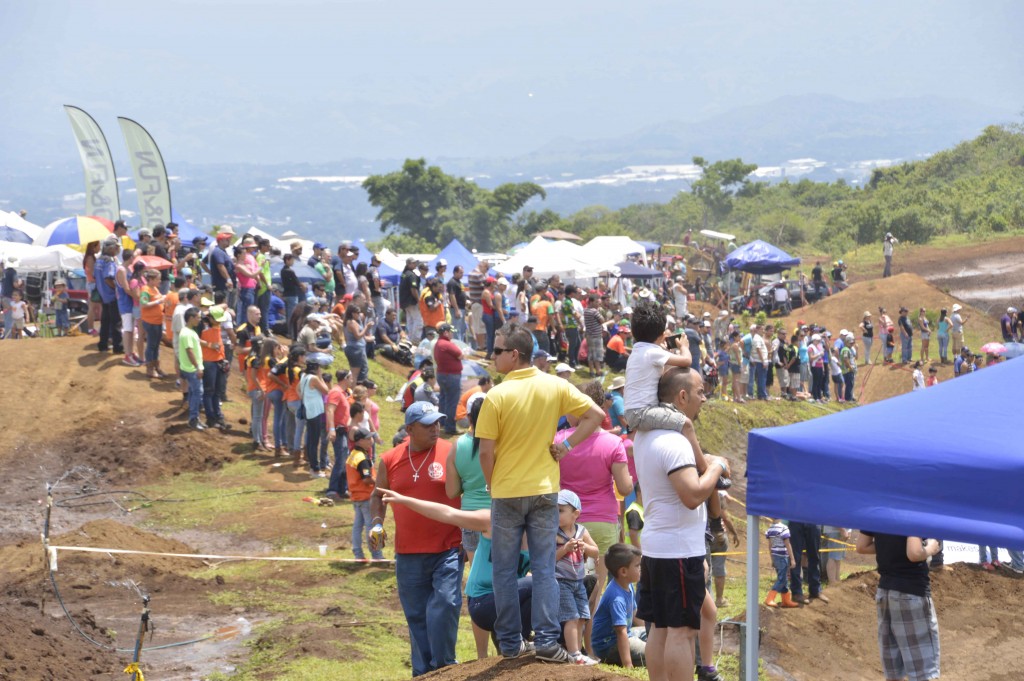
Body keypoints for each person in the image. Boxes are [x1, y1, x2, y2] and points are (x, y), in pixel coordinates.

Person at [476, 322, 605, 663]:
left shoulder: (497, 394)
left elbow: (486, 452)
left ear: (514, 354)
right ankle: (547, 642)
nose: (493, 356)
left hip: (507, 491)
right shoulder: (554, 385)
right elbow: (596, 415)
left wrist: (492, 484)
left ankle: (508, 643)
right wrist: (566, 447)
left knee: (504, 570)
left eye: (498, 350)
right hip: (546, 490)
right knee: (545, 567)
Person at [632, 367, 729, 681]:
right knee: (682, 633)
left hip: (657, 546)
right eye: (700, 391)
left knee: (660, 629)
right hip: (677, 551)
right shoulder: (674, 443)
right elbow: (693, 494)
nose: (704, 397)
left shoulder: (645, 435)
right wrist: (716, 466)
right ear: (683, 396)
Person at [369, 402, 462, 677]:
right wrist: (376, 524)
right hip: (408, 553)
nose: (435, 428)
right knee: (417, 615)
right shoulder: (389, 460)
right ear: (409, 429)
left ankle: (444, 667)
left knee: (445, 604)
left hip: (448, 547)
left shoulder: (451, 451)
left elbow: (468, 491)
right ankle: (423, 672)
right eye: (427, 424)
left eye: (437, 423)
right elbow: (378, 496)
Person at [856, 531, 941, 681]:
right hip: (911, 591)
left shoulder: (878, 508)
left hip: (885, 592)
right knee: (923, 673)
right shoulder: (912, 508)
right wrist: (930, 548)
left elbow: (862, 546)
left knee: (893, 672)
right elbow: (914, 553)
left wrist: (888, 546)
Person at [554, 489, 600, 666]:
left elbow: (595, 551)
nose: (555, 514)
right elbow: (548, 559)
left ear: (576, 514)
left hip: (578, 581)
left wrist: (584, 547)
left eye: (560, 510)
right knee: (571, 617)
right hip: (561, 581)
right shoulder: (553, 532)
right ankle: (574, 654)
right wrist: (564, 549)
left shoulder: (581, 531)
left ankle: (576, 651)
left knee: (582, 616)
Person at [592, 543, 646, 668]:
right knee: (655, 653)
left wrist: (647, 632)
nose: (641, 568)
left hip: (626, 634)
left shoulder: (627, 584)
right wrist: (628, 665)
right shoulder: (617, 598)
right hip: (608, 646)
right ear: (623, 571)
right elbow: (621, 632)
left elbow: (634, 615)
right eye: (637, 566)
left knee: (653, 634)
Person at [433, 322, 463, 436]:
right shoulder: (446, 344)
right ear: (446, 332)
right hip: (451, 376)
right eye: (450, 332)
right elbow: (461, 355)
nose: (452, 335)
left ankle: (442, 422)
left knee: (444, 399)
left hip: (442, 375)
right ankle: (450, 427)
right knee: (452, 402)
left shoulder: (438, 344)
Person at [789, 519, 828, 604]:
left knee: (814, 556)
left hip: (813, 518)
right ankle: (796, 592)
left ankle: (815, 590)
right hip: (795, 518)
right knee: (795, 557)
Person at [200, 307, 228, 430]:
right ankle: (211, 418)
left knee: (217, 392)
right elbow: (196, 340)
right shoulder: (204, 330)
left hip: (218, 362)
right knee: (209, 391)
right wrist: (210, 345)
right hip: (209, 362)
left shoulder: (217, 329)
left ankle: (218, 417)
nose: (220, 322)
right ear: (211, 319)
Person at [178, 307, 205, 430]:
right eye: (198, 317)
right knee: (198, 393)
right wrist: (198, 367)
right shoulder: (187, 333)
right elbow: (189, 351)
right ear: (191, 318)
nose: (199, 320)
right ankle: (193, 419)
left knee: (195, 392)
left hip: (189, 368)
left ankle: (194, 416)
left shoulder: (189, 331)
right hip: (191, 369)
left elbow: (197, 343)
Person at [763, 519, 800, 607]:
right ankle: (770, 598)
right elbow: (788, 544)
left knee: (784, 578)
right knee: (782, 579)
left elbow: (770, 546)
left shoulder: (770, 529)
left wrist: (772, 559)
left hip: (775, 555)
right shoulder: (784, 528)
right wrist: (792, 559)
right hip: (783, 556)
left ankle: (786, 600)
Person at [399, 257, 423, 342]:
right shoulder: (411, 275)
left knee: (410, 321)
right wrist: (419, 301)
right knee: (418, 321)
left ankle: (410, 340)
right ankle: (415, 340)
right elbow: (413, 289)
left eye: (415, 263)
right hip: (412, 302)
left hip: (405, 302)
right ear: (408, 264)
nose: (415, 264)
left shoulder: (404, 273)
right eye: (413, 263)